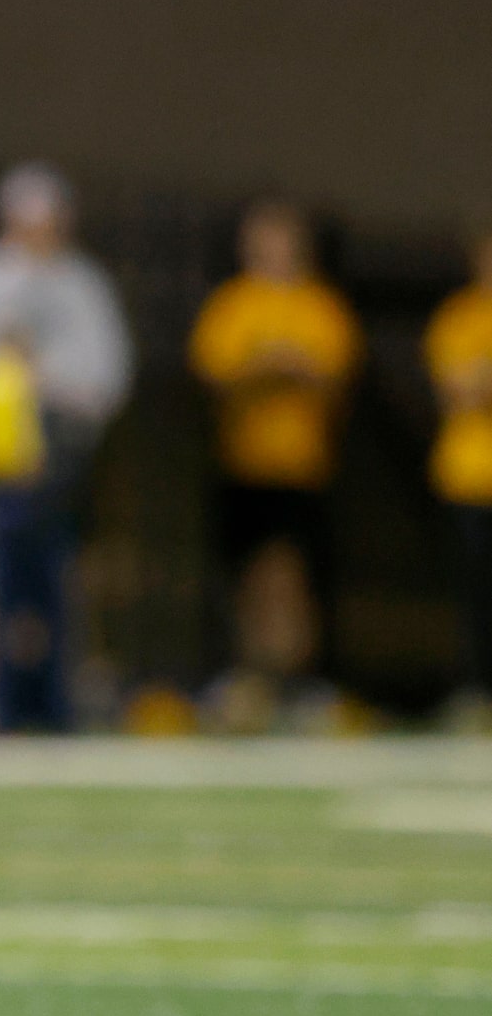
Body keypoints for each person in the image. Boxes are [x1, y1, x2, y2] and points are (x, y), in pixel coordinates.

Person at [0, 164, 132, 732]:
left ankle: (56, 702)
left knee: (59, 584)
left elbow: (106, 372)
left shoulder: (82, 285)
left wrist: (51, 389)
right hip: (0, 458)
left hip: (60, 458)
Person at [188, 199, 361, 715]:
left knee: (301, 578)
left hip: (304, 468)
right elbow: (215, 375)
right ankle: (249, 678)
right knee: (244, 579)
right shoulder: (232, 304)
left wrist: (277, 368)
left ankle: (304, 680)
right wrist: (270, 367)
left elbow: (334, 375)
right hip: (243, 464)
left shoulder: (321, 305)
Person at [425, 229, 492, 726]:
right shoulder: (458, 316)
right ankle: (477, 693)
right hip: (471, 476)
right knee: (475, 595)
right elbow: (457, 386)